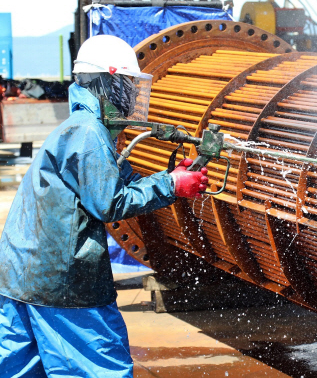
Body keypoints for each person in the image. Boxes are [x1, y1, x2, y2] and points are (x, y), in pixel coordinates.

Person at [0, 35, 209, 377]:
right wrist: (173, 185)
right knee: (101, 368)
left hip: (20, 276)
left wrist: (169, 177)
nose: (130, 96)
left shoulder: (78, 127)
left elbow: (116, 181)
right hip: (62, 282)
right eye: (126, 85)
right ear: (107, 83)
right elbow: (109, 202)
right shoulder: (90, 133)